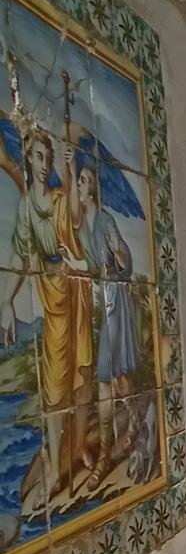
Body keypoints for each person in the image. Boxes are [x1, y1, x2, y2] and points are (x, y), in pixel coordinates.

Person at [0, 125, 93, 500]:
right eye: (38, 156)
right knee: (55, 386)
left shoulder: (58, 199)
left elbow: (72, 213)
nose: (43, 164)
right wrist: (7, 300)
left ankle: (81, 444)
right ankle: (54, 464)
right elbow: (22, 256)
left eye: (48, 158)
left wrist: (70, 174)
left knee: (82, 376)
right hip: (51, 297)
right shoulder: (26, 207)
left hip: (76, 293)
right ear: (27, 158)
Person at [64, 161, 139, 491]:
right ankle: (135, 421)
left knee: (109, 379)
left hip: (116, 306)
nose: (79, 185)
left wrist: (119, 253)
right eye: (79, 180)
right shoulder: (83, 230)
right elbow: (95, 268)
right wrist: (74, 265)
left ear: (93, 189)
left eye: (82, 180)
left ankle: (105, 458)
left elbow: (124, 260)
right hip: (101, 307)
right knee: (116, 379)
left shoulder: (105, 220)